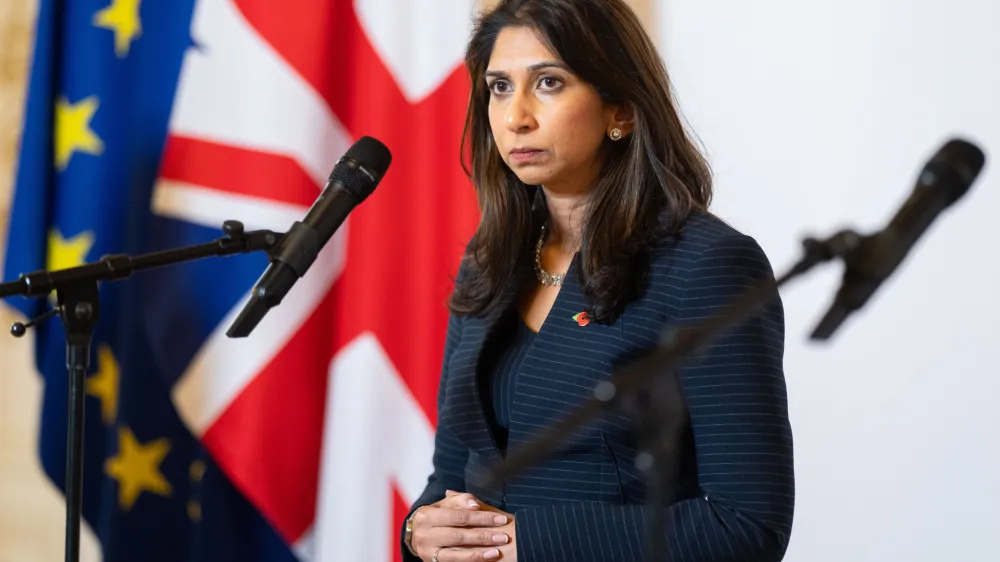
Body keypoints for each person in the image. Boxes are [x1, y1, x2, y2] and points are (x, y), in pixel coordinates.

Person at [401, 0, 795, 560]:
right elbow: (450, 479)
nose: (516, 117)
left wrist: (526, 543)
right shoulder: (488, 261)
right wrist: (420, 533)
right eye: (499, 87)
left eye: (549, 83)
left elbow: (747, 525)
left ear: (622, 109)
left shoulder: (707, 265)